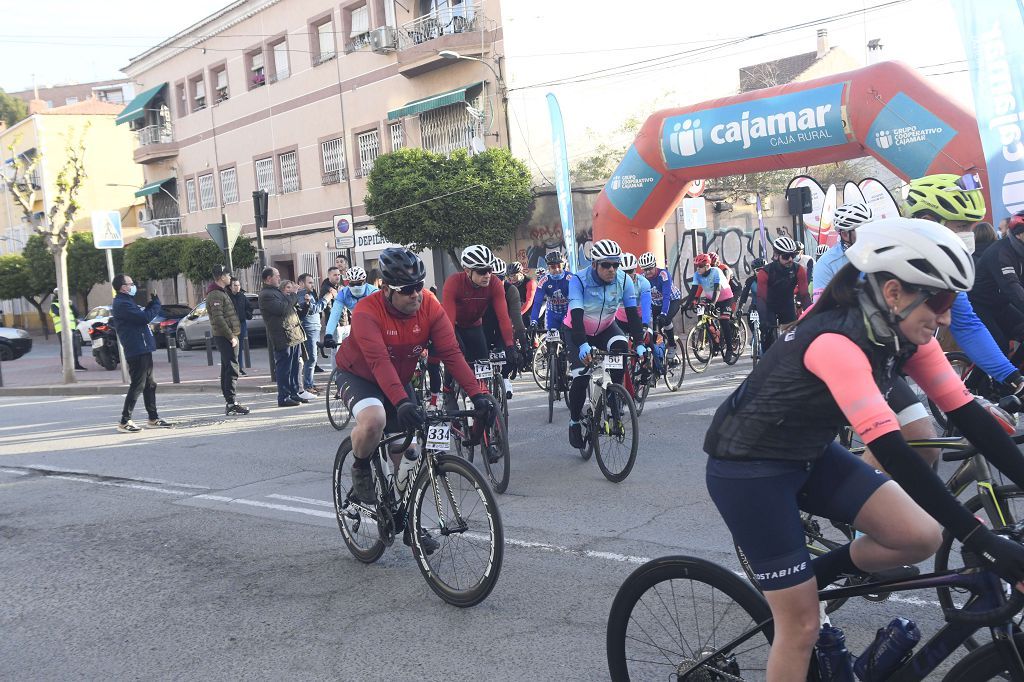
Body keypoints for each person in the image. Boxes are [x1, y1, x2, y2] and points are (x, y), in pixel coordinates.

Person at [704, 218, 1024, 681]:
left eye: (952, 300)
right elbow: (894, 453)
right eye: (939, 299)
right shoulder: (835, 340)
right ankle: (802, 595)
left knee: (922, 537)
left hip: (808, 454)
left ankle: (813, 576)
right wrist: (982, 541)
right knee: (801, 626)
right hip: (749, 472)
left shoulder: (902, 331)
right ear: (893, 292)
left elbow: (970, 417)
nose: (947, 317)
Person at [335, 247, 497, 551]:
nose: (416, 294)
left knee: (408, 452)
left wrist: (478, 394)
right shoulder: (366, 311)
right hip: (360, 374)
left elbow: (451, 353)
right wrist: (401, 402)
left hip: (398, 378)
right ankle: (359, 466)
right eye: (407, 290)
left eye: (419, 286)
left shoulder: (430, 305)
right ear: (386, 289)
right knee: (375, 420)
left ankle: (407, 520)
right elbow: (378, 361)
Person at [904, 173, 1024, 397]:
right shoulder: (889, 261)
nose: (969, 235)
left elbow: (966, 325)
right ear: (928, 222)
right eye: (961, 226)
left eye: (971, 227)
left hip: (903, 354)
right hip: (855, 357)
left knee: (984, 426)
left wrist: (1013, 378)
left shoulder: (946, 267)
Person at [565, 239, 647, 449]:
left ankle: (613, 394)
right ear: (594, 265)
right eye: (606, 265)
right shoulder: (579, 280)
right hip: (578, 329)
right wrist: (582, 343)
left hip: (605, 328)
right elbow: (576, 315)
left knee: (620, 346)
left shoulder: (623, 280)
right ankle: (574, 421)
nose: (612, 269)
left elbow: (632, 315)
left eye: (616, 264)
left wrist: (639, 342)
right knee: (581, 378)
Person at [440, 245, 517, 398]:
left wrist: (510, 346)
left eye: (490, 269)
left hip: (475, 326)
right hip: (454, 326)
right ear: (467, 270)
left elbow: (503, 317)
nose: (488, 275)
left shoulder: (494, 283)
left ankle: (483, 400)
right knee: (455, 355)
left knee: (483, 363)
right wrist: (454, 346)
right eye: (482, 271)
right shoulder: (453, 282)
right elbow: (448, 322)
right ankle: (447, 390)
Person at [111, 274, 171, 432]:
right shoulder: (121, 303)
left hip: (143, 347)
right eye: (131, 283)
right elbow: (144, 318)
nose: (133, 286)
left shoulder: (127, 301)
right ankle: (124, 421)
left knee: (150, 384)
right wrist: (156, 304)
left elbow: (142, 316)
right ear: (123, 287)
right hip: (136, 349)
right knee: (138, 385)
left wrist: (151, 305)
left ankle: (153, 418)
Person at [969, 210, 1024, 353]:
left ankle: (1015, 369)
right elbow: (1012, 288)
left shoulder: (1020, 251)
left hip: (1000, 304)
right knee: (999, 347)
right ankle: (1003, 373)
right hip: (979, 305)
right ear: (1019, 234)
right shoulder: (1001, 252)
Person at [259, 267, 308, 407]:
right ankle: (284, 397)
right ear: (268, 278)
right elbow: (282, 309)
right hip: (282, 336)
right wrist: (293, 294)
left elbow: (290, 308)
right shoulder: (266, 294)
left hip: (292, 335)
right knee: (284, 369)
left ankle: (293, 393)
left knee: (293, 367)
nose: (279, 278)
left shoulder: (276, 292)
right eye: (277, 276)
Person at [206, 265, 250, 416]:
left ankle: (230, 402)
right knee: (231, 368)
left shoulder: (220, 292)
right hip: (225, 336)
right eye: (227, 275)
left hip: (227, 335)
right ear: (220, 277)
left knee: (227, 367)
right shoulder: (215, 294)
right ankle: (231, 402)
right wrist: (231, 336)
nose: (230, 277)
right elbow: (218, 318)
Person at [484, 257, 530, 398]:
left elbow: (516, 318)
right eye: (495, 277)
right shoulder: (481, 289)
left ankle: (504, 378)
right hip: (482, 327)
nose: (498, 281)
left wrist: (524, 342)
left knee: (510, 355)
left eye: (501, 277)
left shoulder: (510, 290)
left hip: (502, 328)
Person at [756, 236, 810, 351]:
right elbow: (761, 298)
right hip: (769, 305)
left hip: (787, 305)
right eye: (786, 256)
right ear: (776, 256)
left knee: (791, 340)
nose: (790, 259)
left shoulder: (799, 270)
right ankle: (766, 364)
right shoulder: (764, 272)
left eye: (793, 255)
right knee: (767, 335)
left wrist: (811, 313)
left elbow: (805, 294)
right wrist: (763, 320)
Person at [812, 202, 873, 300]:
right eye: (863, 231)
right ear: (845, 234)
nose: (869, 234)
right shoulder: (826, 264)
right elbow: (821, 308)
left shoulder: (879, 252)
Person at [684, 253, 736, 360]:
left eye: (700, 266)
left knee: (723, 320)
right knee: (703, 316)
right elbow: (693, 290)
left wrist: (712, 303)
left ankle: (730, 349)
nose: (698, 269)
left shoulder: (716, 271)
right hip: (711, 297)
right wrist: (687, 304)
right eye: (697, 266)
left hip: (725, 298)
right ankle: (715, 343)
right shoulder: (697, 275)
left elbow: (717, 289)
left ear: (707, 266)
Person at [296, 273, 334, 395]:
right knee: (311, 358)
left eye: (313, 282)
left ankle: (310, 384)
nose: (312, 285)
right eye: (310, 282)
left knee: (313, 358)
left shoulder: (310, 294)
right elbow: (313, 309)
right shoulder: (302, 294)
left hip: (314, 328)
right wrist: (326, 299)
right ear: (301, 283)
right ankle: (308, 385)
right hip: (309, 328)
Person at [638, 252, 684, 348]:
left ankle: (672, 345)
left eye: (650, 268)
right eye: (645, 269)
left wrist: (663, 313)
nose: (647, 272)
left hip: (672, 301)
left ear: (655, 266)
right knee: (650, 327)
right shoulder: (642, 278)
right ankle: (655, 349)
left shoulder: (663, 274)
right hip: (656, 304)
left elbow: (666, 296)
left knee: (666, 320)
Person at [324, 266, 377, 346]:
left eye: (359, 283)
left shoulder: (374, 292)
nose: (356, 287)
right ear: (348, 282)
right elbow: (334, 315)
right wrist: (328, 335)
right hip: (357, 325)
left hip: (374, 325)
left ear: (364, 281)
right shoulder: (343, 294)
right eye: (352, 284)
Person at [530, 251, 573, 331]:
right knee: (551, 341)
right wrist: (534, 320)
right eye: (553, 267)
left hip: (568, 314)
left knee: (570, 340)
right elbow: (537, 302)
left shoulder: (570, 278)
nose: (556, 269)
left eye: (559, 266)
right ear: (548, 268)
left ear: (563, 265)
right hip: (552, 315)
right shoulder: (544, 281)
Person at [50, 287, 86, 370]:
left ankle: (76, 365)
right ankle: (66, 367)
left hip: (71, 328)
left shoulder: (68, 304)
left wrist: (72, 305)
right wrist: (64, 304)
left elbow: (76, 314)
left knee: (74, 347)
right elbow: (59, 313)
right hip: (61, 329)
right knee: (65, 347)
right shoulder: (54, 305)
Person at [227, 278, 253, 375]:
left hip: (241, 324)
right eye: (235, 285)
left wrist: (246, 315)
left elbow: (249, 307)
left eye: (238, 285)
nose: (237, 287)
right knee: (231, 347)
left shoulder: (242, 296)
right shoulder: (227, 297)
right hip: (231, 325)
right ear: (230, 287)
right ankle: (231, 368)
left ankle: (240, 367)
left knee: (240, 346)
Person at [506, 261, 536, 329]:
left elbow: (529, 301)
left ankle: (534, 338)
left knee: (526, 319)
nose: (512, 278)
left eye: (514, 275)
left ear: (521, 273)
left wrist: (517, 315)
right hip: (521, 303)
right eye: (510, 276)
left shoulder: (530, 282)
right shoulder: (510, 282)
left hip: (534, 304)